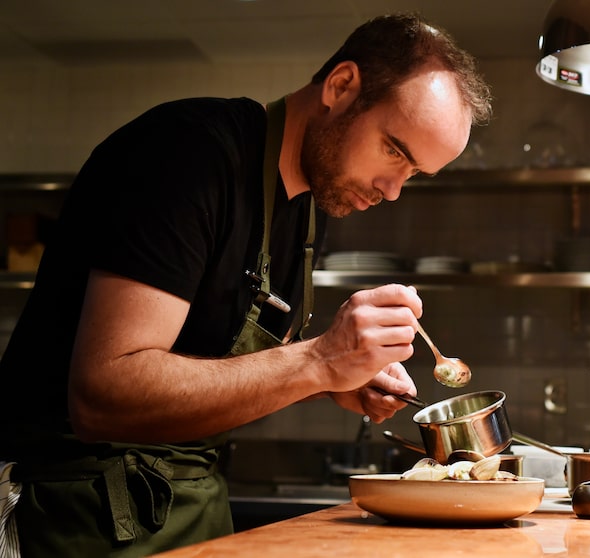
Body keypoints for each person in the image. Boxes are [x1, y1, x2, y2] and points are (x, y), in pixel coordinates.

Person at [0, 13, 492, 557]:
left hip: (192, 507)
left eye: (414, 173)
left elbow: (220, 361)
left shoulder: (310, 206)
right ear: (341, 86)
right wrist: (318, 361)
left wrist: (337, 378)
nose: (393, 189)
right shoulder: (187, 155)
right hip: (73, 510)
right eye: (395, 151)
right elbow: (102, 395)